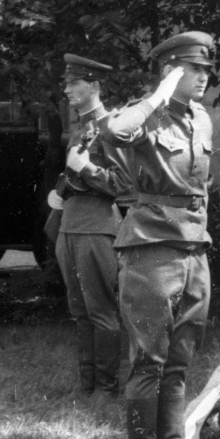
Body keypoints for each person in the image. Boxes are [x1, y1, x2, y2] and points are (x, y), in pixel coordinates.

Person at [97, 31, 217, 439]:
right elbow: (114, 131)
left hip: (194, 250)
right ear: (170, 71)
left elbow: (199, 186)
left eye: (206, 70)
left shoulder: (202, 118)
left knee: (179, 365)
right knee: (149, 364)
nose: (203, 77)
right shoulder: (148, 115)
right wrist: (159, 94)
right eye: (193, 69)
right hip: (152, 251)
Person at [46, 53, 129, 397]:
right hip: (69, 226)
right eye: (66, 83)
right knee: (80, 311)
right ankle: (87, 386)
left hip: (96, 228)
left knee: (101, 312)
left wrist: (86, 169)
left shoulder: (111, 127)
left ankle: (106, 389)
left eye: (73, 83)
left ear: (94, 86)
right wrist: (59, 189)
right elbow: (73, 171)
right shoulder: (82, 125)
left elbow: (123, 185)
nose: (67, 89)